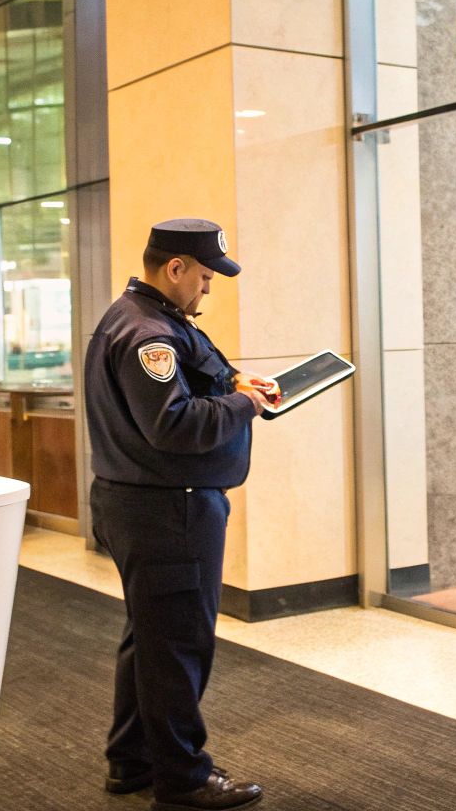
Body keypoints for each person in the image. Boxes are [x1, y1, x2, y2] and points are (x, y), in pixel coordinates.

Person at [84, 218, 277, 811]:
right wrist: (245, 403)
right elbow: (174, 424)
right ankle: (183, 778)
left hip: (146, 505)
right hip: (169, 511)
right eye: (204, 275)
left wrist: (236, 383)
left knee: (152, 638)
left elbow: (190, 392)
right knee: (179, 646)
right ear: (174, 269)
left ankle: (132, 759)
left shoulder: (143, 318)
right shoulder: (149, 336)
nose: (209, 287)